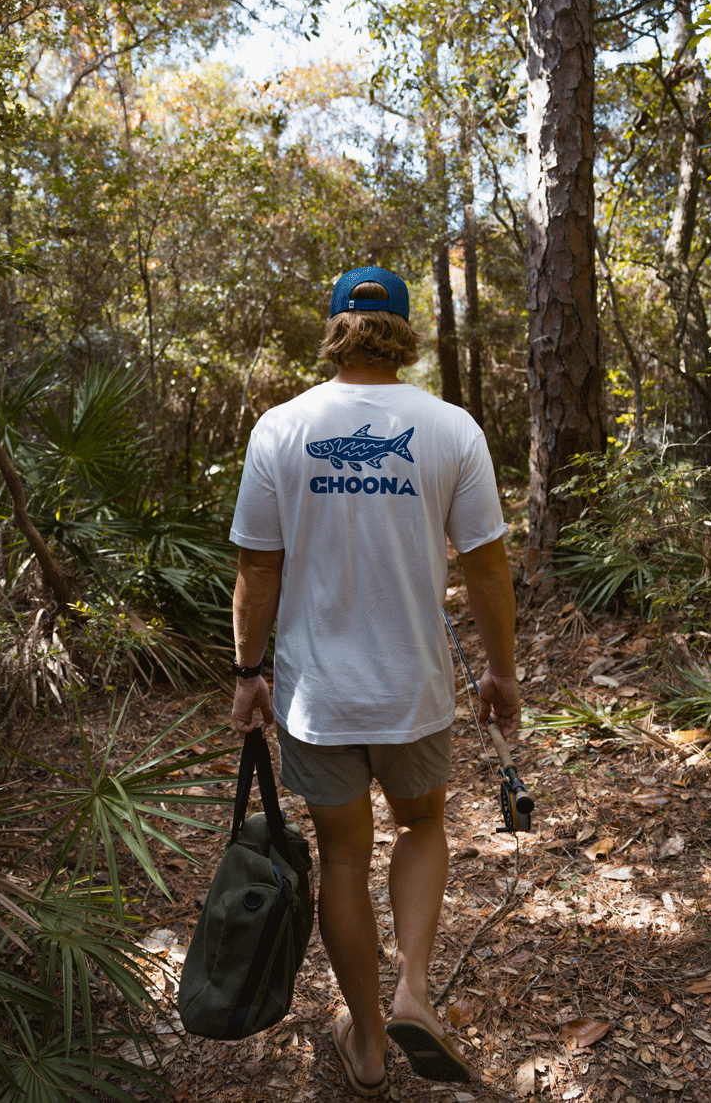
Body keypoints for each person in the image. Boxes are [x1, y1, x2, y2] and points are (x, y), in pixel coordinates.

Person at [228, 266, 521, 1097]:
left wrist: (248, 673)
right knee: (421, 824)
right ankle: (415, 992)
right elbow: (489, 570)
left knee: (344, 855)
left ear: (333, 327)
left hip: (317, 700)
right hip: (414, 690)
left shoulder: (280, 427)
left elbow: (257, 566)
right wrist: (501, 672)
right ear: (404, 331)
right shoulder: (451, 427)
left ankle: (365, 1042)